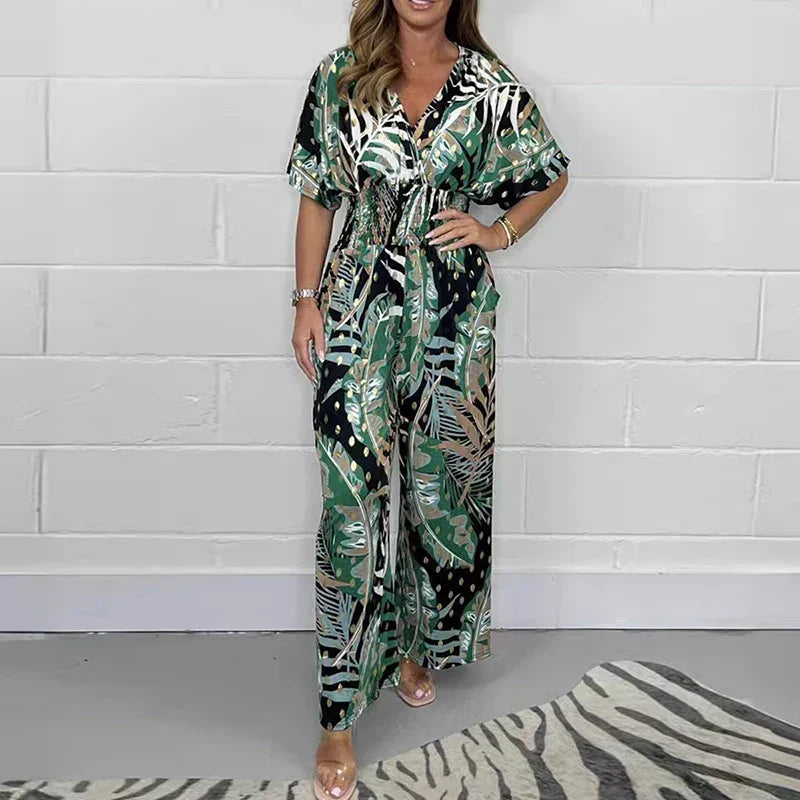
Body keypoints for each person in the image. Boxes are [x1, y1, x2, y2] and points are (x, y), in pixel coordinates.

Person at [286, 0, 570, 797]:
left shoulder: (487, 84)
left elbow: (550, 173)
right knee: (351, 503)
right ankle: (338, 715)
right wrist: (305, 300)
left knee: (440, 490)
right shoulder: (341, 77)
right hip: (357, 304)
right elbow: (317, 192)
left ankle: (419, 644)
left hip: (453, 312)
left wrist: (497, 232)